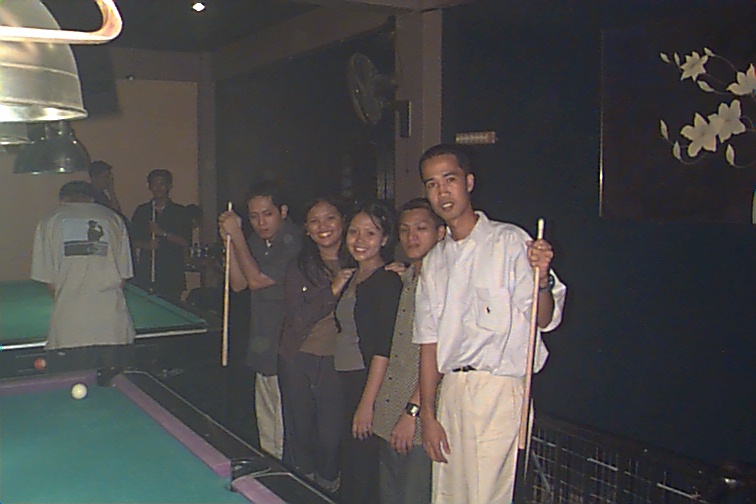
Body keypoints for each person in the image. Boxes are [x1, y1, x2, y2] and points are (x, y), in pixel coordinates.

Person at [412, 144, 567, 504]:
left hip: (498, 390)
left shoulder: (509, 241)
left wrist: (542, 279)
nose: (442, 192)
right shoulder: (434, 263)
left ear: (468, 182)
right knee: (448, 496)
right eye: (432, 184)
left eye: (449, 180)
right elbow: (428, 343)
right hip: (452, 392)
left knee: (488, 497)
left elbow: (543, 319)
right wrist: (428, 416)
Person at [218, 182, 302, 460]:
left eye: (267, 214)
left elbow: (256, 280)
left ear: (283, 211)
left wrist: (238, 236)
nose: (261, 222)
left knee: (286, 426)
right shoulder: (256, 241)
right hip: (264, 344)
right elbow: (239, 283)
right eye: (254, 216)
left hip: (289, 348)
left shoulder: (293, 240)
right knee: (267, 426)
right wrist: (230, 243)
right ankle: (270, 473)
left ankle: (287, 477)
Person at [373, 198, 445, 504]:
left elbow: (442, 355)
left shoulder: (445, 282)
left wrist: (412, 412)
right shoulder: (408, 278)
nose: (411, 236)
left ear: (440, 233)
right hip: (392, 409)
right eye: (405, 230)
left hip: (421, 416)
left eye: (421, 229)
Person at [278, 198, 350, 493]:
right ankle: (303, 492)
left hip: (338, 361)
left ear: (342, 221)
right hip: (298, 358)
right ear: (306, 229)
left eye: (330, 218)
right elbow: (297, 319)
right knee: (301, 435)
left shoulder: (360, 261)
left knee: (331, 438)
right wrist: (332, 290)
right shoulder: (299, 267)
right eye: (314, 221)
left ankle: (328, 490)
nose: (323, 226)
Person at [335, 201, 402, 504]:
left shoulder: (385, 281)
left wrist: (367, 404)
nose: (359, 240)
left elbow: (382, 350)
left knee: (363, 469)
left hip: (365, 381)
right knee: (351, 465)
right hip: (347, 378)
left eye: (370, 233)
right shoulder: (352, 276)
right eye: (354, 232)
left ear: (385, 239)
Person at [30, 181, 135, 376]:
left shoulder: (49, 221)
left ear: (62, 199)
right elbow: (123, 277)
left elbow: (49, 282)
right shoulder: (114, 219)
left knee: (67, 385)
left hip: (69, 329)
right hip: (113, 328)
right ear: (92, 198)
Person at [131, 169, 192, 301]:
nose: (157, 188)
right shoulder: (142, 211)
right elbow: (131, 240)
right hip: (147, 272)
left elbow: (185, 241)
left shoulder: (180, 212)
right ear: (149, 186)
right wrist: (146, 245)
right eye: (154, 184)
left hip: (172, 272)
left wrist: (162, 233)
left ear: (169, 186)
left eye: (161, 184)